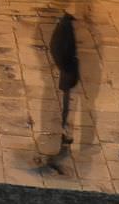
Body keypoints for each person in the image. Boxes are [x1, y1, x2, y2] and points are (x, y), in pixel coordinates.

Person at [51, 9, 82, 146]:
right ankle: (66, 133)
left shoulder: (66, 26)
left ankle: (66, 132)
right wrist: (64, 66)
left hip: (71, 70)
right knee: (69, 105)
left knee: (69, 105)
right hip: (70, 72)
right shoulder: (65, 28)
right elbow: (55, 48)